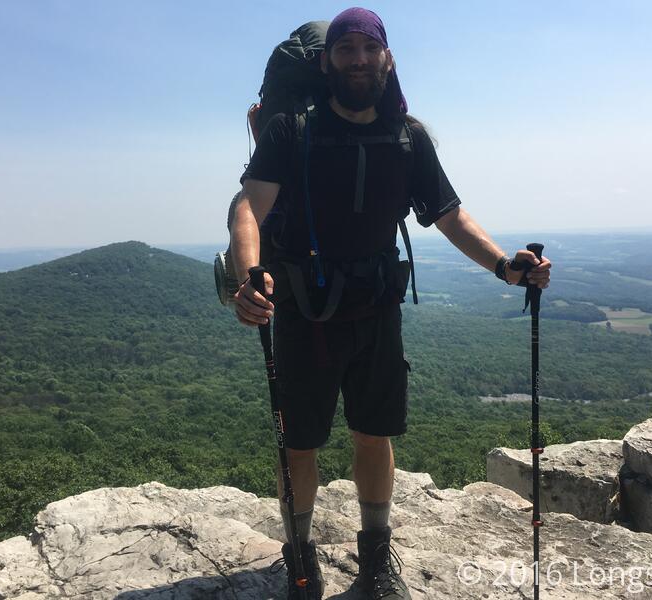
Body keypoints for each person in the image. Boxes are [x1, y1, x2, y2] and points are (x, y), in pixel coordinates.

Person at [231, 8, 551, 600]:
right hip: (304, 310)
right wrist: (250, 275)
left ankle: (376, 559)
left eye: (368, 48)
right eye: (345, 49)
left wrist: (504, 266)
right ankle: (300, 559)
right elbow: (249, 206)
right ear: (327, 62)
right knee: (299, 443)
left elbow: (449, 215)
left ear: (387, 58)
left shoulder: (408, 137)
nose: (358, 59)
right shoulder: (292, 132)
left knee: (374, 433)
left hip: (377, 308)